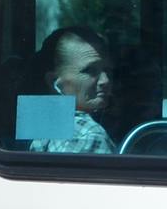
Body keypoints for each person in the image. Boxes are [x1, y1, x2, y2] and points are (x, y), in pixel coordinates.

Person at [25, 25, 115, 154]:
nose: (105, 80)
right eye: (89, 70)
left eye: (107, 70)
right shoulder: (90, 136)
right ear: (53, 82)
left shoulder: (39, 118)